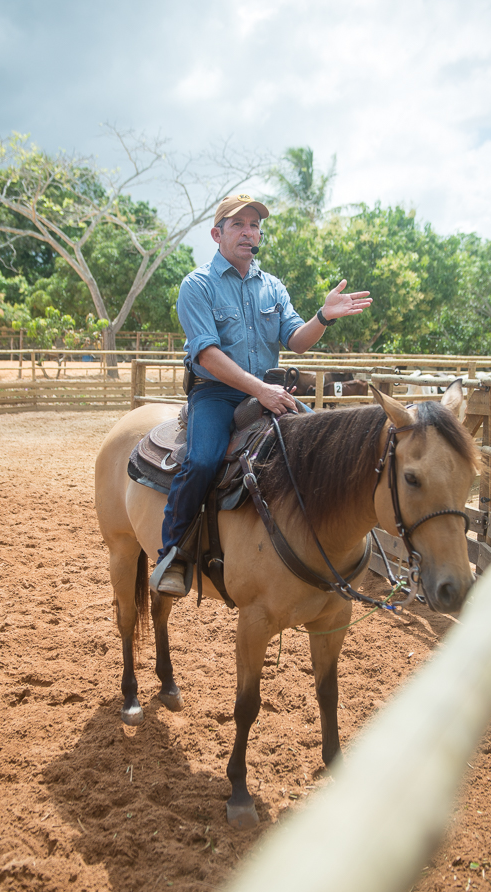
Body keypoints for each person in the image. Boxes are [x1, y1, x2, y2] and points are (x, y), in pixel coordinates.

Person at [152, 193, 372, 596]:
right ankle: (174, 554)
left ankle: (320, 544)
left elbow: (296, 341)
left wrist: (323, 316)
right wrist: (261, 391)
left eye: (254, 225)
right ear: (217, 233)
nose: (248, 232)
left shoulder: (272, 286)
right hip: (217, 394)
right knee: (201, 461)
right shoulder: (197, 286)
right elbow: (207, 354)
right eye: (238, 225)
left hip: (268, 390)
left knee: (326, 447)